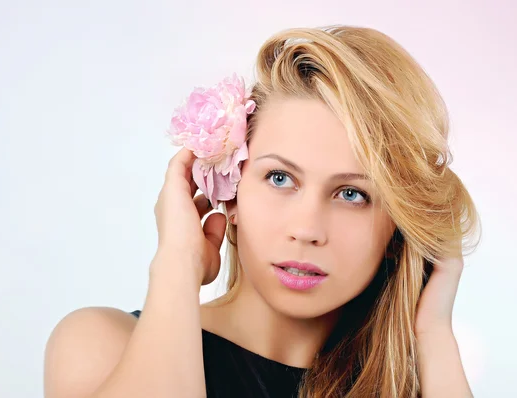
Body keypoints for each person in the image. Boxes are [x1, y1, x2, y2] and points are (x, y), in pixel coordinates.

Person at [44, 25, 480, 398]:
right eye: (279, 179)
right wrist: (176, 266)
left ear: (398, 228)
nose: (307, 229)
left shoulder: (422, 383)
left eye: (351, 194)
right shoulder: (100, 345)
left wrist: (434, 337)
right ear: (230, 194)